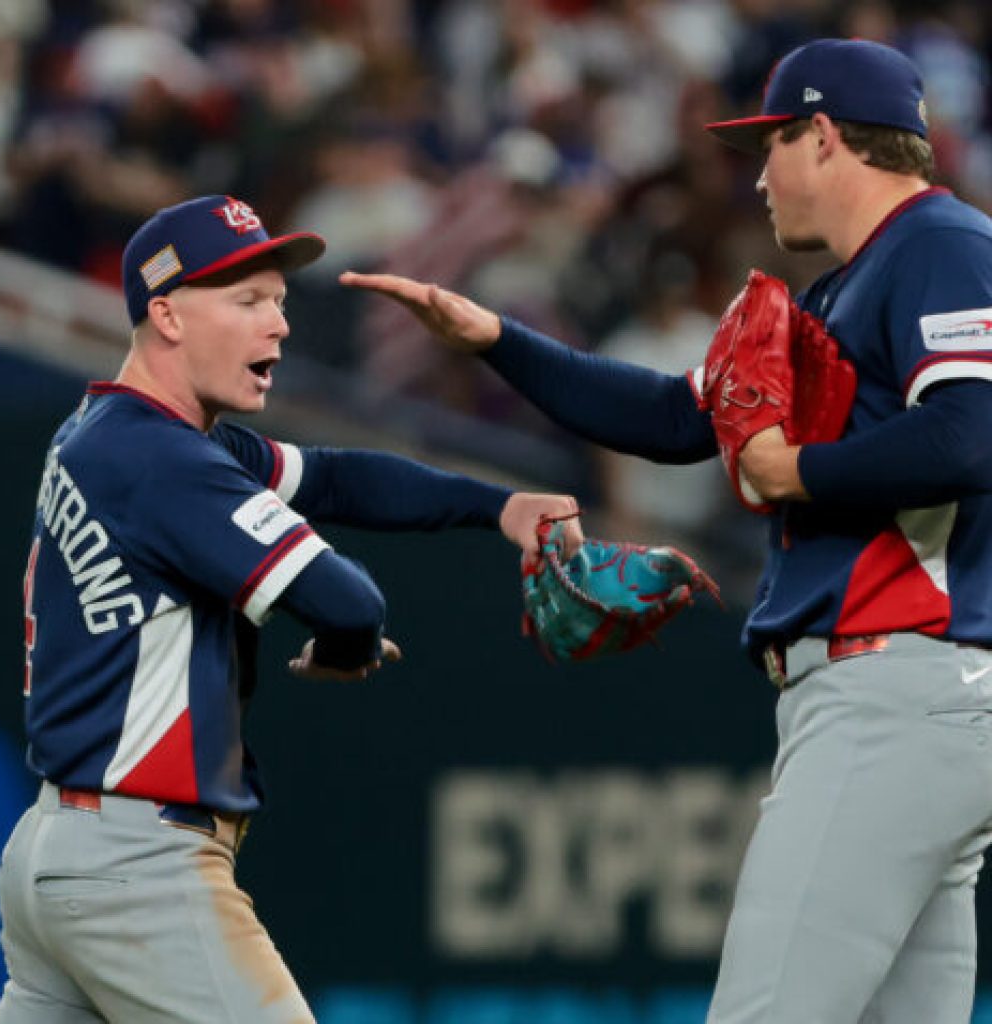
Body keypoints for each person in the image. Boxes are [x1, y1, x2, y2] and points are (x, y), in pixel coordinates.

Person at [342, 38, 992, 1024]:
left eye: (769, 144)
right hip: (914, 696)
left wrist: (792, 471)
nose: (757, 175)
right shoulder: (836, 292)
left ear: (823, 136)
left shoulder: (938, 243)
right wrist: (496, 341)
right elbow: (671, 417)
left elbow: (970, 432)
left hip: (895, 685)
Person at [0, 194, 582, 1024]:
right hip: (138, 864)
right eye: (246, 301)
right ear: (166, 315)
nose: (279, 324)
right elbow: (347, 597)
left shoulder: (113, 431)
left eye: (277, 298)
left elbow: (339, 478)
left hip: (61, 852)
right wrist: (348, 644)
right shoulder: (160, 458)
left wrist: (499, 506)